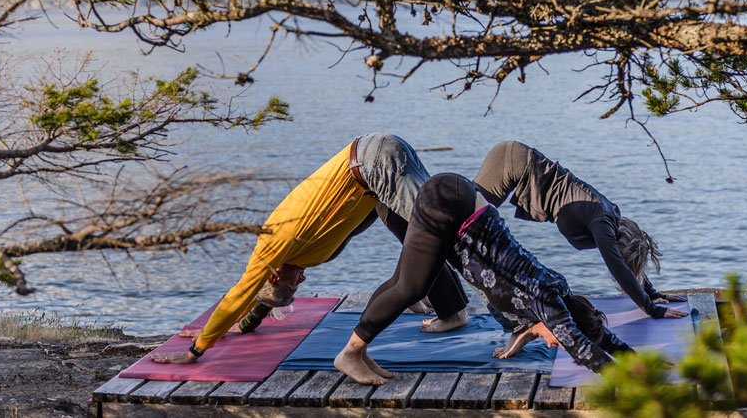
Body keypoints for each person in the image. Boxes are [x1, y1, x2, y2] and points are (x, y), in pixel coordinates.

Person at [151, 133, 469, 365]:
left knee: (449, 233)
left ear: (274, 275)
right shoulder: (284, 263)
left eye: (292, 288)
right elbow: (260, 297)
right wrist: (242, 325)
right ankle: (451, 310)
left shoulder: (274, 246)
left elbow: (240, 295)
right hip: (374, 175)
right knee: (423, 236)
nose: (301, 283)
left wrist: (199, 348)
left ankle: (515, 312)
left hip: (374, 164)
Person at [334, 173, 657, 386]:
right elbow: (583, 349)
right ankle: (349, 352)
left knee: (404, 281)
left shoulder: (556, 291)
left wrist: (639, 359)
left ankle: (359, 352)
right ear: (564, 323)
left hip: (459, 201)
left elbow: (599, 336)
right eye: (556, 338)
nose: (552, 341)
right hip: (450, 206)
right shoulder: (551, 305)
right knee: (412, 287)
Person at [474, 141, 687, 322]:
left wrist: (653, 293)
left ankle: (454, 311)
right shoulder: (603, 222)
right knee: (465, 227)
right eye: (623, 254)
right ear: (621, 243)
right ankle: (477, 315)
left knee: (464, 230)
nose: (618, 256)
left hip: (516, 162)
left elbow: (625, 265)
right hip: (511, 162)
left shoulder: (610, 218)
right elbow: (618, 266)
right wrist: (651, 309)